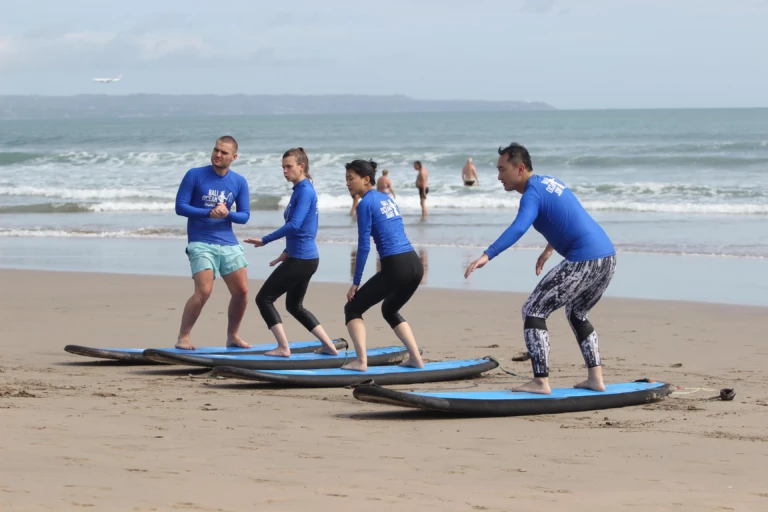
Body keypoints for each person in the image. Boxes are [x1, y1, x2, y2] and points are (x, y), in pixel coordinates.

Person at [464, 142, 616, 395]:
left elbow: (518, 227)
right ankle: (595, 379)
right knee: (577, 313)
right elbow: (566, 217)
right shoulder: (550, 182)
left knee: (533, 309)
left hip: (584, 259)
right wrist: (549, 249)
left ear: (520, 168)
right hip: (607, 258)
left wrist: (487, 255)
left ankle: (540, 381)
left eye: (502, 170)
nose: (498, 176)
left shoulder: (531, 194)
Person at [243, 148, 339, 357]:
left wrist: (265, 240)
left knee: (264, 299)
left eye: (289, 167)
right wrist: (286, 252)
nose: (284, 171)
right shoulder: (301, 189)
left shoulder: (305, 191)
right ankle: (329, 346)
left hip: (302, 259)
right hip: (302, 257)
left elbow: (295, 225)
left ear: (301, 166)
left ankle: (283, 347)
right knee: (294, 305)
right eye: (283, 167)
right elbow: (305, 227)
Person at [343, 159, 425, 371]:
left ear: (366, 179)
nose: (347, 183)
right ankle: (416, 358)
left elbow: (363, 247)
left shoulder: (365, 204)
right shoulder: (386, 200)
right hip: (414, 264)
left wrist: (356, 282)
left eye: (351, 179)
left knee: (352, 308)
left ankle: (361, 361)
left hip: (396, 265)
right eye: (346, 179)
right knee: (390, 309)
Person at [174, 136, 251, 350]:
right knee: (204, 290)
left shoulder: (239, 182)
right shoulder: (195, 175)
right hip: (200, 241)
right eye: (216, 150)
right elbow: (180, 207)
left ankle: (233, 336)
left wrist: (226, 214)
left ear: (234, 157)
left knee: (242, 292)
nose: (218, 154)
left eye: (224, 152)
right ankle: (184, 337)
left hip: (228, 242)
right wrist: (209, 212)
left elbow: (244, 216)